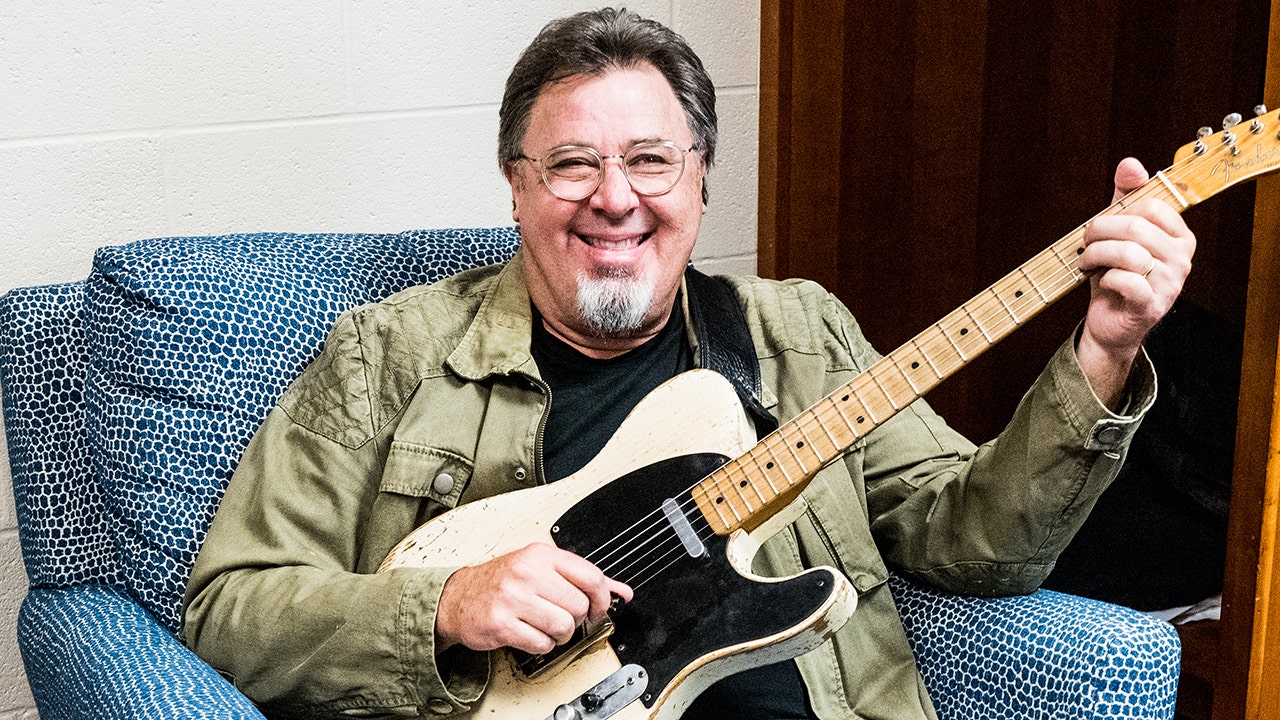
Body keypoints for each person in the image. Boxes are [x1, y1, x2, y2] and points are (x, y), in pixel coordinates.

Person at [181, 7, 1195, 720]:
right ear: (515, 187)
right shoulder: (387, 357)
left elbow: (976, 546)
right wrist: (446, 605)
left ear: (700, 180)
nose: (613, 198)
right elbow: (229, 612)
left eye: (652, 159)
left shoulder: (797, 335)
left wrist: (1100, 349)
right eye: (572, 163)